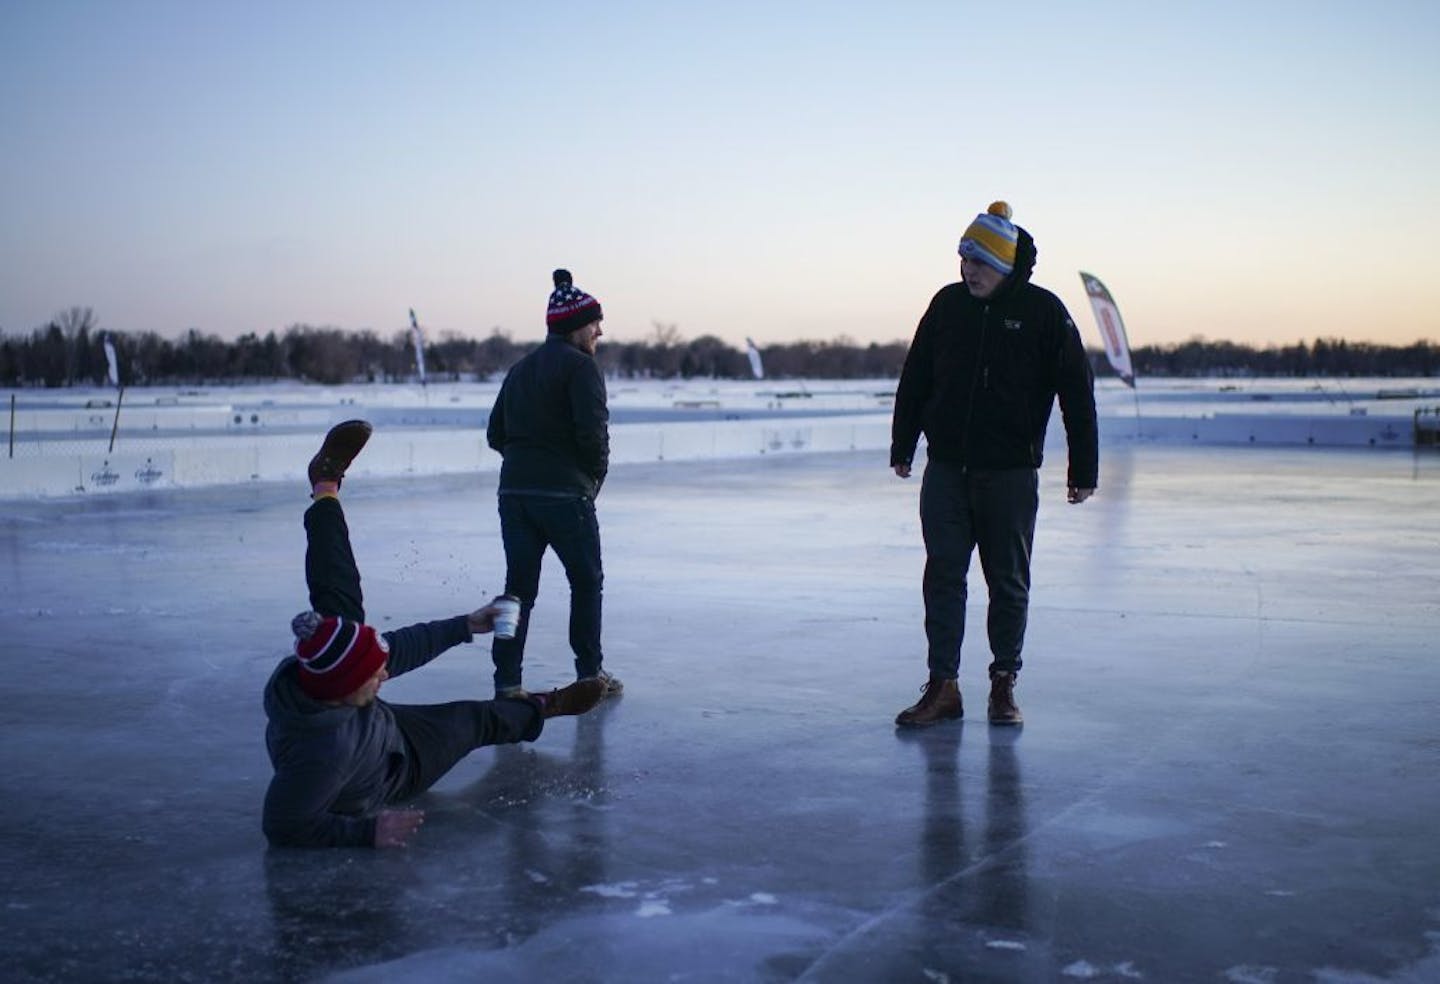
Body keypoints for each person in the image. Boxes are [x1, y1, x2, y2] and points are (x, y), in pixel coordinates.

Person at [263, 420, 605, 849]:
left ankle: (325, 485)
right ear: (345, 691)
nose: (384, 676)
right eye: (375, 676)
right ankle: (538, 706)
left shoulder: (320, 666)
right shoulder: (323, 757)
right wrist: (367, 832)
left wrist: (465, 625)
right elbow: (282, 826)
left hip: (363, 717)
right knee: (474, 720)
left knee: (338, 594)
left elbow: (397, 651)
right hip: (395, 765)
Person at [890, 201, 1098, 728]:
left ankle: (1003, 684)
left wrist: (1083, 469)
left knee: (1007, 581)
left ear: (1006, 265)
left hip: (1009, 474)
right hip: (947, 471)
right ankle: (943, 685)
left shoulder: (1044, 312)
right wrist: (903, 443)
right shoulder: (946, 306)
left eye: (981, 261)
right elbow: (916, 377)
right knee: (943, 576)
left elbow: (1077, 392)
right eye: (965, 258)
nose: (970, 270)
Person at [485, 269, 620, 700]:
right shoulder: (582, 368)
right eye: (594, 322)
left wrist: (526, 463)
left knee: (518, 589)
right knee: (585, 581)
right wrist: (592, 477)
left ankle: (507, 682)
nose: (600, 329)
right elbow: (593, 434)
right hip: (565, 496)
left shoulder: (520, 369)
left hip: (515, 496)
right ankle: (589, 675)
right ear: (574, 326)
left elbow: (494, 434)